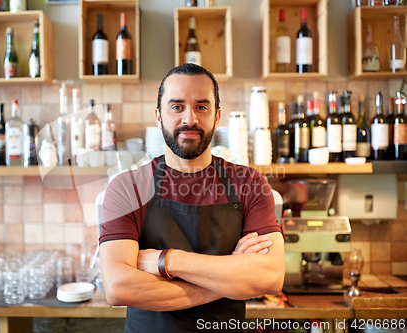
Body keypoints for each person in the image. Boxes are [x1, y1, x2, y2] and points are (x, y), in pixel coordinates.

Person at [99, 64, 285, 333]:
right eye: (176, 107)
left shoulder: (251, 184)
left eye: (202, 107)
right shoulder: (127, 188)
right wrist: (230, 279)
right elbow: (118, 287)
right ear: (159, 116)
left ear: (217, 116)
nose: (190, 119)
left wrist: (167, 261)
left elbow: (269, 277)